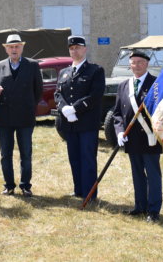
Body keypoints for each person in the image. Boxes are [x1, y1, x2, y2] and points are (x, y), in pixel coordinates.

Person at [0, 34, 43, 197]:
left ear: (22, 48)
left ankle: (25, 185)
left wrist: (28, 105)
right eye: (11, 47)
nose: (14, 49)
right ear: (6, 49)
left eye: (17, 46)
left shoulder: (32, 65)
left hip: (25, 117)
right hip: (5, 117)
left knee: (26, 153)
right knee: (6, 154)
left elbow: (38, 91)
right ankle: (9, 186)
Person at [112, 50, 163, 222]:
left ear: (147, 64)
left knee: (153, 175)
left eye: (141, 62)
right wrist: (119, 132)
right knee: (137, 174)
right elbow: (117, 113)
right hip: (131, 139)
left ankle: (153, 210)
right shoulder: (123, 85)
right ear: (129, 65)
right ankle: (140, 206)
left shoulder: (156, 84)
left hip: (149, 138)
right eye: (133, 62)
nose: (137, 65)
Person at [54, 35, 106, 202]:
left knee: (88, 158)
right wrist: (64, 109)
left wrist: (74, 109)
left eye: (77, 48)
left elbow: (95, 95)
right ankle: (78, 190)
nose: (74, 51)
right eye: (71, 48)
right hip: (69, 124)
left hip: (86, 122)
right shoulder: (64, 72)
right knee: (74, 158)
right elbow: (58, 94)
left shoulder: (95, 70)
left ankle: (90, 194)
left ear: (85, 49)